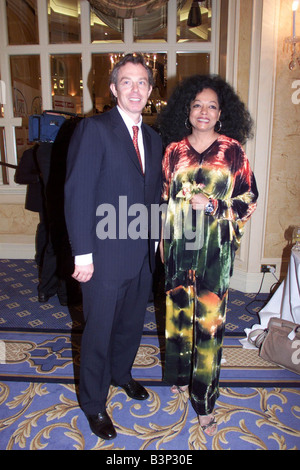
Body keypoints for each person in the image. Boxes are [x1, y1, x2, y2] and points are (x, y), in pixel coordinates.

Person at [64, 53, 162, 440]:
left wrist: (155, 241)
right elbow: (78, 193)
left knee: (131, 325)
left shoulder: (154, 138)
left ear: (151, 91)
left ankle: (122, 374)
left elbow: (153, 195)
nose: (135, 89)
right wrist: (82, 254)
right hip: (102, 256)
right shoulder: (95, 130)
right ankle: (93, 403)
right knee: (98, 331)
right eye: (127, 81)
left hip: (141, 255)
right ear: (112, 88)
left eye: (142, 82)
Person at [158, 75, 258, 436]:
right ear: (187, 109)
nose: (204, 111)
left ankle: (204, 401)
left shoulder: (233, 151)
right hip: (179, 245)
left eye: (212, 106)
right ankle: (181, 377)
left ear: (221, 113)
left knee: (209, 323)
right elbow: (164, 198)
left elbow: (249, 201)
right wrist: (160, 238)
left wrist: (215, 204)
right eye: (197, 104)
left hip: (215, 249)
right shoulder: (172, 151)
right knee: (178, 314)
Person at [14, 144, 48, 267]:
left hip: (58, 197)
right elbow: (19, 178)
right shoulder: (31, 153)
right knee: (45, 228)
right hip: (41, 198)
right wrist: (38, 177)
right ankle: (41, 258)